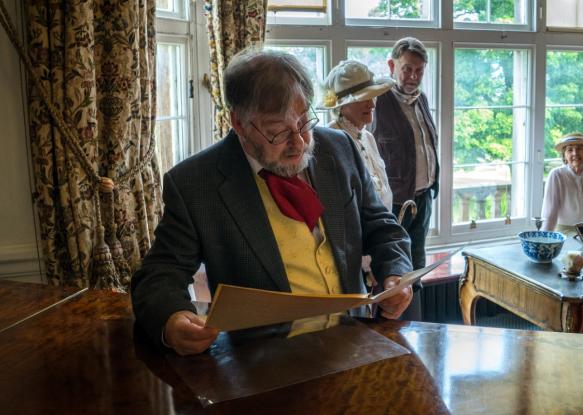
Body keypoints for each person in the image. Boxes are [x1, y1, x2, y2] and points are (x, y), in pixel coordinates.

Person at [131, 49, 413, 356]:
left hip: (354, 344)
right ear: (238, 123)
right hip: (262, 363)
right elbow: (160, 274)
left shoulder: (339, 147)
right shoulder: (196, 183)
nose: (299, 143)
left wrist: (395, 273)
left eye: (304, 121)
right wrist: (172, 320)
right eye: (277, 131)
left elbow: (380, 225)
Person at [371, 37, 438, 271]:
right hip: (396, 202)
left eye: (419, 71)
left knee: (417, 263)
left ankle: (416, 307)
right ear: (392, 66)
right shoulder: (377, 102)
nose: (413, 76)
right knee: (395, 266)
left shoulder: (422, 100)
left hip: (423, 197)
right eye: (407, 69)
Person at [322, 60, 394, 210]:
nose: (372, 105)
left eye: (373, 96)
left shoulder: (367, 137)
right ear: (342, 105)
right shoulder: (330, 139)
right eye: (363, 98)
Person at [541, 133, 583, 234]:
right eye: (570, 150)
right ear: (564, 155)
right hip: (565, 234)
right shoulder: (556, 175)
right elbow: (550, 213)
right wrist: (545, 239)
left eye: (580, 149)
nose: (575, 153)